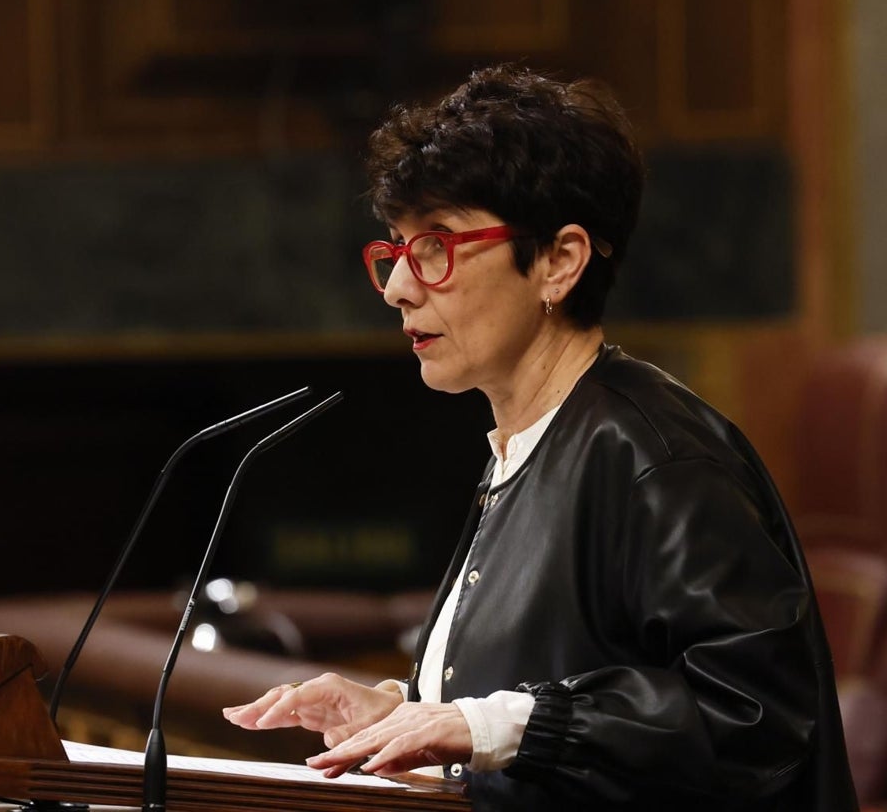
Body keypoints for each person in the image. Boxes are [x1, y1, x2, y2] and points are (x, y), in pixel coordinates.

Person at [221, 63, 858, 811]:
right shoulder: (530, 442)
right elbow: (554, 691)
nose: (398, 286)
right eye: (395, 248)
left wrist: (488, 723)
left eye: (438, 246)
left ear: (559, 261)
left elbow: (759, 718)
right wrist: (409, 709)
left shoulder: (654, 454)